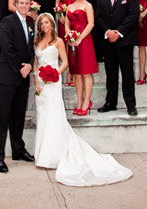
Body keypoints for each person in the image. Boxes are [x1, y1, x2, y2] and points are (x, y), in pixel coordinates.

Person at [33, 13, 133, 186]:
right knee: (43, 116)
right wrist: (36, 79)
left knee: (54, 115)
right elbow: (35, 61)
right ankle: (42, 154)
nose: (45, 26)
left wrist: (55, 74)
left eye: (47, 23)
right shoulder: (37, 41)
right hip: (41, 83)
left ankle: (54, 155)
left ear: (52, 24)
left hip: (53, 81)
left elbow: (64, 62)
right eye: (42, 24)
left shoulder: (57, 41)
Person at [0, 0, 35, 173]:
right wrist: (21, 67)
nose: (24, 6)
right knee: (2, 118)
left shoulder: (31, 24)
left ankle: (18, 150)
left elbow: (33, 49)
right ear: (16, 4)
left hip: (23, 78)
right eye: (21, 3)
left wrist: (30, 66)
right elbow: (7, 48)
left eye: (27, 3)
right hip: (8, 76)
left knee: (18, 117)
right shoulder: (6, 22)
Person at [95, 0, 140, 115]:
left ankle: (131, 105)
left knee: (127, 74)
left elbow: (133, 15)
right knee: (111, 73)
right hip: (108, 41)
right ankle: (110, 102)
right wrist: (108, 32)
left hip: (124, 40)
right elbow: (98, 18)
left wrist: (118, 32)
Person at [64, 0, 98, 115]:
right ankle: (79, 101)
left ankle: (86, 101)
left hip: (84, 40)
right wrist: (69, 36)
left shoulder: (88, 5)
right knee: (76, 72)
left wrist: (79, 38)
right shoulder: (69, 6)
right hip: (72, 42)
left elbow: (91, 24)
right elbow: (66, 23)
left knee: (86, 72)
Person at [55, 0, 78, 85]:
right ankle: (68, 72)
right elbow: (57, 1)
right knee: (64, 45)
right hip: (62, 18)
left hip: (74, 16)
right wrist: (59, 15)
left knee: (73, 45)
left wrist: (69, 15)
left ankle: (73, 74)